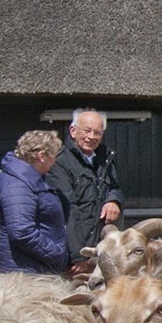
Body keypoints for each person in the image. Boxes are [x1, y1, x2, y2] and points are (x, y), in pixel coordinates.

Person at [47, 108, 123, 269]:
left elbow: (114, 187)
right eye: (87, 131)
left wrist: (113, 200)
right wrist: (79, 255)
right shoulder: (59, 161)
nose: (91, 137)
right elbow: (68, 209)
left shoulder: (105, 157)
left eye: (97, 132)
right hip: (72, 254)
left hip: (100, 247)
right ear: (73, 131)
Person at [0, 130, 67, 275]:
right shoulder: (17, 185)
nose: (54, 162)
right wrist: (56, 253)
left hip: (32, 266)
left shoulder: (28, 179)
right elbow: (21, 231)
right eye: (53, 157)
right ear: (41, 156)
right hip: (24, 272)